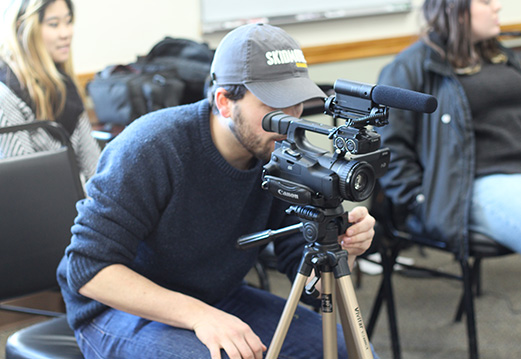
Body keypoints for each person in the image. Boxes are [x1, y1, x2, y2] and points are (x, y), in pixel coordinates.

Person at [57, 23, 379, 359]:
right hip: (116, 309)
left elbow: (312, 285)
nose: (291, 121)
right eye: (274, 107)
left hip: (217, 296)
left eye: (297, 104)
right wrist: (198, 315)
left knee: (351, 350)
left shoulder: (280, 153)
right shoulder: (151, 147)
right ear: (224, 102)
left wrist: (345, 249)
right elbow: (88, 269)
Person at [376, 0, 521, 262]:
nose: (497, 7)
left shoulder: (499, 55)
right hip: (474, 185)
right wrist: (420, 200)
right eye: (485, 2)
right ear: (454, 9)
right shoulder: (409, 67)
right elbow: (388, 147)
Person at [0, 0, 100, 181]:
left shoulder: (65, 84)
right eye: (53, 24)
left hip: (79, 200)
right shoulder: (5, 94)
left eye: (68, 21)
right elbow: (23, 185)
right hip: (44, 204)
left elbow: (95, 168)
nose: (66, 33)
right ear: (22, 28)